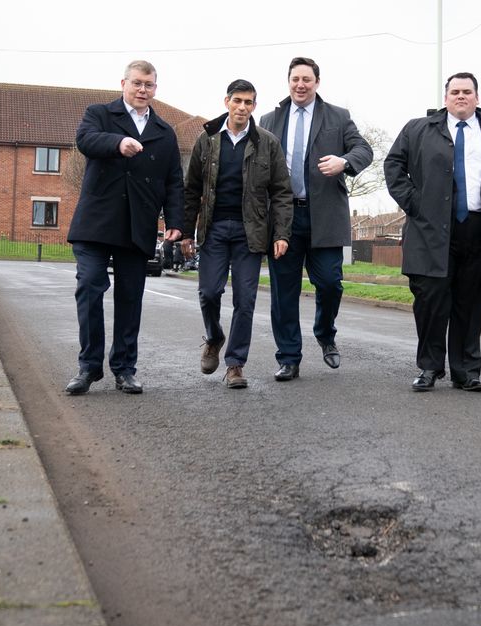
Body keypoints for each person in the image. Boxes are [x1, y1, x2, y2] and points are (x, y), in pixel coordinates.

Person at [385, 72, 481, 392]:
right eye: (455, 92)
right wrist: (416, 204)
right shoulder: (418, 130)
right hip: (431, 231)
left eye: (467, 91)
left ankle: (466, 370)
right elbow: (394, 166)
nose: (461, 97)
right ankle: (429, 367)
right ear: (445, 98)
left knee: (470, 304)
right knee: (430, 301)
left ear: (477, 98)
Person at [64, 60, 184, 396]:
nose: (142, 90)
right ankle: (88, 367)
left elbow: (174, 180)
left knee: (130, 299)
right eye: (137, 83)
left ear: (155, 88)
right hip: (97, 223)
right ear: (123, 83)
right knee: (89, 286)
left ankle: (125, 369)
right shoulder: (99, 114)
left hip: (138, 224)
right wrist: (118, 144)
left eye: (149, 85)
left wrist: (175, 221)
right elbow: (86, 140)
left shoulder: (164, 131)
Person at [259, 57, 373, 382]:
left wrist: (345, 161)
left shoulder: (338, 116)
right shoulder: (270, 119)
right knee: (284, 291)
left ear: (317, 83)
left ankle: (325, 333)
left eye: (307, 79)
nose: (300, 84)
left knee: (329, 283)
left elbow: (364, 149)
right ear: (288, 81)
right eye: (295, 79)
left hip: (324, 217)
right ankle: (289, 358)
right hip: (283, 219)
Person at [181, 79, 293, 389]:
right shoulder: (208, 140)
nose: (242, 107)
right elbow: (191, 190)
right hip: (214, 229)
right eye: (237, 101)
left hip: (251, 232)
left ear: (254, 106)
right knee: (209, 292)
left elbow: (282, 192)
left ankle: (235, 365)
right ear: (227, 102)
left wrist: (281, 232)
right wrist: (187, 232)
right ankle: (215, 337)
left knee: (245, 300)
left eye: (248, 102)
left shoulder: (267, 143)